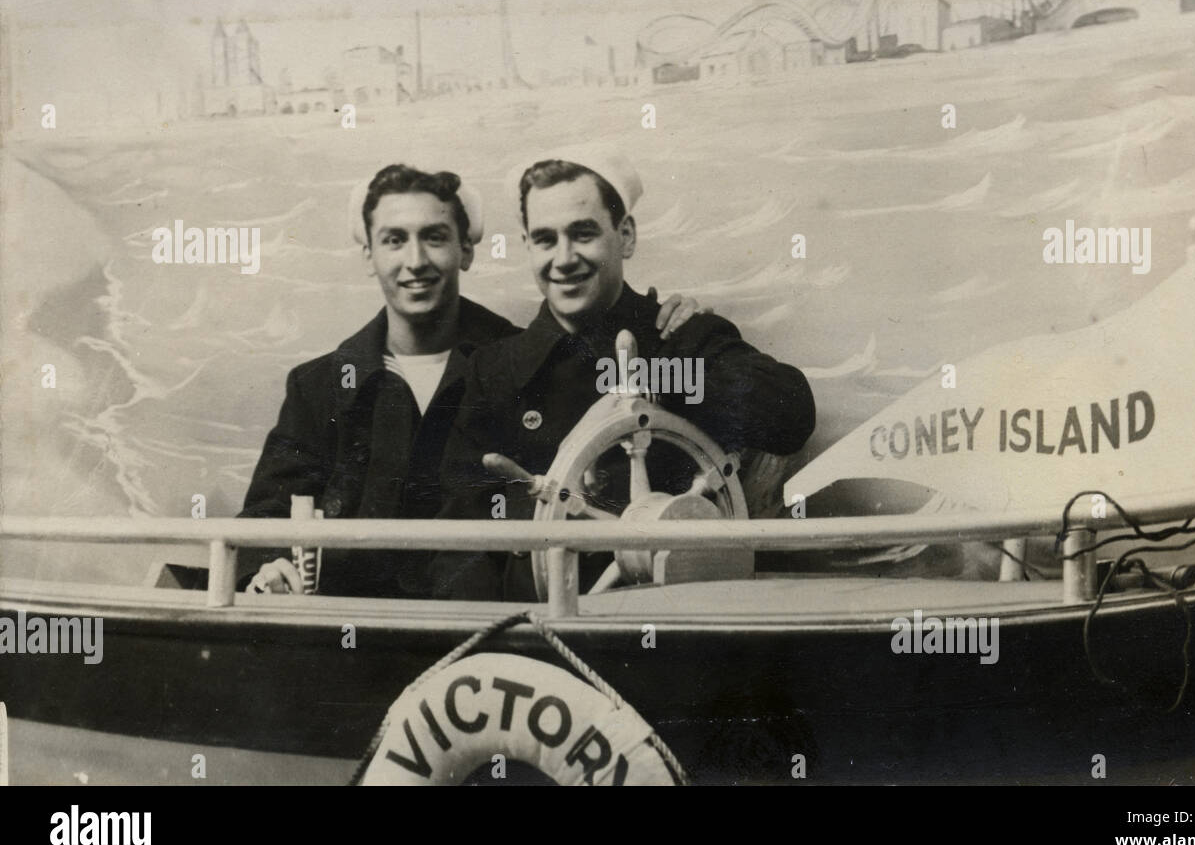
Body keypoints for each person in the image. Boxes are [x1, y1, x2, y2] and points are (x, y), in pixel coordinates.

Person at [238, 162, 701, 596]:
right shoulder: (318, 387)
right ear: (368, 255)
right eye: (394, 240)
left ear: (466, 250)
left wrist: (673, 326)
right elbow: (264, 519)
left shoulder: (529, 367)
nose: (415, 261)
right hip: (355, 635)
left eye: (435, 238)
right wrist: (271, 566)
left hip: (488, 634)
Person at [434, 148, 817, 601]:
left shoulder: (679, 338)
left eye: (583, 233)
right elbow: (454, 536)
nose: (564, 258)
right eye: (545, 239)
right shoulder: (491, 371)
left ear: (626, 236)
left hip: (674, 620)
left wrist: (657, 377)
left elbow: (791, 414)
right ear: (527, 248)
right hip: (536, 629)